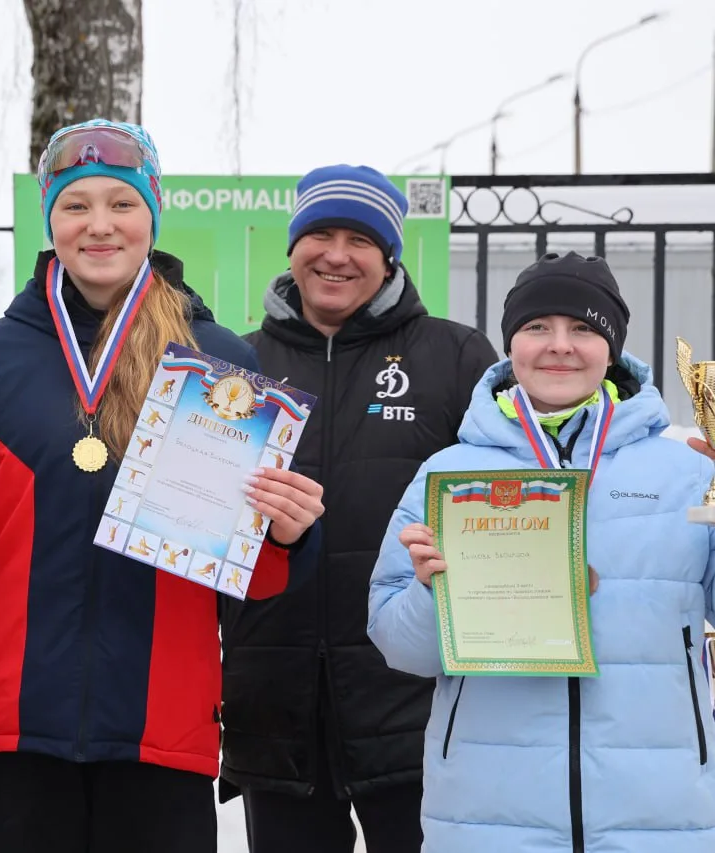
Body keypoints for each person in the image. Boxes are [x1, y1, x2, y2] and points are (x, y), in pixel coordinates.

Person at [0, 120, 325, 853]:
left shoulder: (216, 363)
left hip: (161, 733)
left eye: (122, 203)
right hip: (11, 731)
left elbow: (250, 577)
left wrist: (284, 531)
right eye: (75, 205)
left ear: (153, 214)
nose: (99, 225)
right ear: (49, 218)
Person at [369, 251, 715, 852]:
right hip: (487, 816)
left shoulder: (685, 472)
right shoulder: (449, 474)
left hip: (660, 813)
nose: (560, 345)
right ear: (511, 344)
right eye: (537, 326)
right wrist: (431, 592)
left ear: (611, 347)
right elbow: (400, 647)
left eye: (583, 327)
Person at [219, 164, 498, 852]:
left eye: (361, 240)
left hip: (411, 702)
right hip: (276, 702)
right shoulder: (237, 364)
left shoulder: (454, 356)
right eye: (320, 235)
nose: (337, 256)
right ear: (293, 247)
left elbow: (506, 496)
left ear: (389, 257)